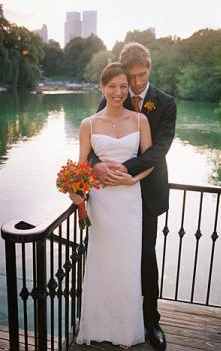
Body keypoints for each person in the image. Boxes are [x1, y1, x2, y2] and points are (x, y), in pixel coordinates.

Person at [91, 42, 177, 351]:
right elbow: (92, 145)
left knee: (146, 257)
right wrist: (96, 166)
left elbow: (158, 150)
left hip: (147, 193)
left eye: (142, 75)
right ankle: (113, 317)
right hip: (112, 198)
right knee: (114, 256)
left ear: (149, 69)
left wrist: (121, 169)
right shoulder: (114, 92)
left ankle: (151, 322)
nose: (137, 83)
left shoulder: (165, 103)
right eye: (132, 76)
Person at [71, 62, 154, 349]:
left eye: (123, 86)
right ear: (102, 87)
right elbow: (82, 165)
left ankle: (124, 330)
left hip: (129, 200)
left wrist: (134, 180)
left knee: (128, 263)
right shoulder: (88, 124)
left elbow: (151, 161)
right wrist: (76, 192)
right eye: (112, 86)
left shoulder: (140, 120)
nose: (118, 92)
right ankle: (98, 325)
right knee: (102, 261)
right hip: (102, 201)